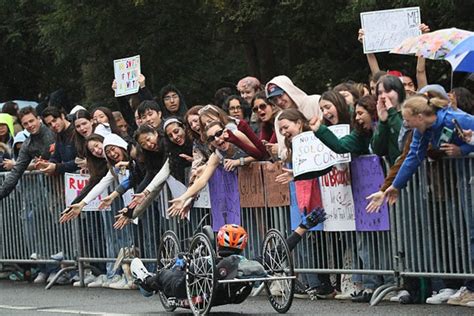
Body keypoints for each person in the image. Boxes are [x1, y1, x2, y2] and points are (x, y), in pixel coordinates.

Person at [131, 208, 327, 303]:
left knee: (168, 273)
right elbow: (281, 250)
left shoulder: (207, 260)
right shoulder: (250, 263)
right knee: (270, 258)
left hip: (189, 291)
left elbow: (188, 277)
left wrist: (183, 264)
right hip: (231, 297)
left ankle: (147, 279)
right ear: (243, 244)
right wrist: (303, 227)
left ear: (218, 241)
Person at [0, 107, 55, 200]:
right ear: (22, 125)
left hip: (73, 178)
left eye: (31, 121)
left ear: (38, 119)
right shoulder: (28, 144)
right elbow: (16, 171)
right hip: (52, 187)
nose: (30, 125)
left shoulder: (53, 129)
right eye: (25, 123)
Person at [264, 75, 322, 160]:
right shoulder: (279, 119)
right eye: (274, 100)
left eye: (280, 96)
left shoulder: (315, 101)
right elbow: (283, 152)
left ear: (289, 90)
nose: (279, 102)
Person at [371, 75, 407, 165]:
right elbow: (378, 150)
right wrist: (382, 122)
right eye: (380, 93)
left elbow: (404, 138)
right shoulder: (386, 117)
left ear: (398, 91)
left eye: (387, 91)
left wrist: (392, 112)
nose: (383, 96)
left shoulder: (410, 112)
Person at [35, 106, 78, 175]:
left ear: (62, 116)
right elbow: (56, 157)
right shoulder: (59, 135)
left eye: (54, 120)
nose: (53, 125)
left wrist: (56, 167)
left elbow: (79, 161)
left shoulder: (77, 131)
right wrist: (46, 164)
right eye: (49, 124)